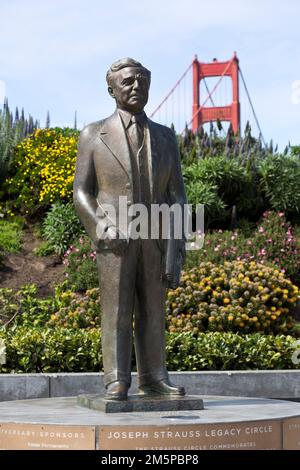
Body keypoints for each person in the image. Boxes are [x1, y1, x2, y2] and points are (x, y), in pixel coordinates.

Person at [73, 58, 187, 400]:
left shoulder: (166, 138)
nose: (137, 86)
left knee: (154, 311)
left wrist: (175, 249)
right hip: (115, 241)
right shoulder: (93, 135)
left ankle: (153, 377)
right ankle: (116, 378)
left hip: (154, 237)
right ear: (112, 89)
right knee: (118, 310)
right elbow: (81, 192)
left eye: (142, 81)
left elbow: (178, 197)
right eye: (128, 81)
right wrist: (101, 226)